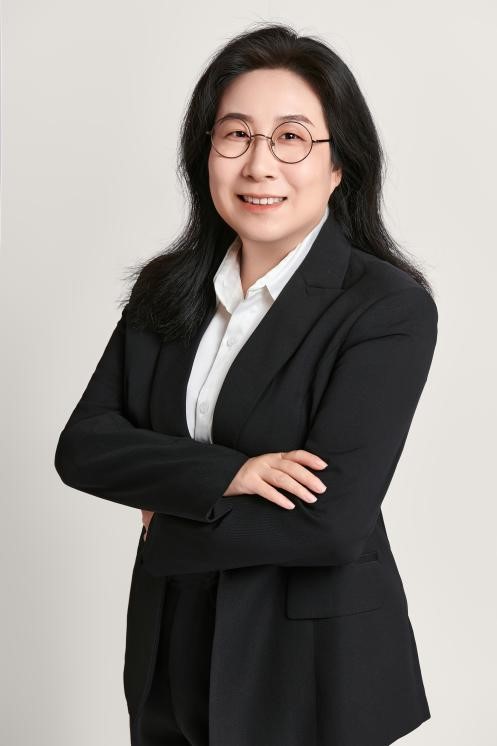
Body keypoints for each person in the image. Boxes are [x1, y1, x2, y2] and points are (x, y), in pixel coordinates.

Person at [54, 22, 438, 746]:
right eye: (236, 135)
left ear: (339, 165)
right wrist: (229, 474)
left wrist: (166, 518)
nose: (260, 164)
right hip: (171, 649)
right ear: (205, 153)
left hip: (308, 668)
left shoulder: (385, 307)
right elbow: (84, 447)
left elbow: (331, 524)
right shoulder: (166, 290)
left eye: (292, 138)